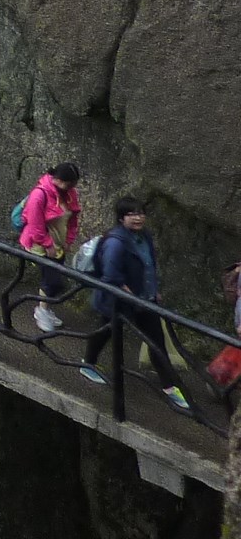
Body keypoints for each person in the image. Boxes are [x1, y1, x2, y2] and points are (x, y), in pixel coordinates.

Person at [78, 199, 191, 412]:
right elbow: (111, 275)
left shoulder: (144, 236)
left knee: (156, 340)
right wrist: (131, 295)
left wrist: (152, 291)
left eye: (140, 213)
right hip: (119, 301)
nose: (138, 218)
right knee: (106, 331)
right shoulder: (116, 243)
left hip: (143, 300)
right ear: (122, 218)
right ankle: (88, 363)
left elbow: (148, 265)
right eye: (132, 214)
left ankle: (169, 386)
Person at [17, 162, 82, 334]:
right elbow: (35, 224)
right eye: (69, 184)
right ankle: (41, 311)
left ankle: (45, 308)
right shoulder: (39, 195)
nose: (72, 188)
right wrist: (47, 244)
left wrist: (68, 240)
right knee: (52, 281)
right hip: (40, 246)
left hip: (59, 245)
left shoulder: (69, 194)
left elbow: (73, 218)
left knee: (53, 279)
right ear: (58, 179)